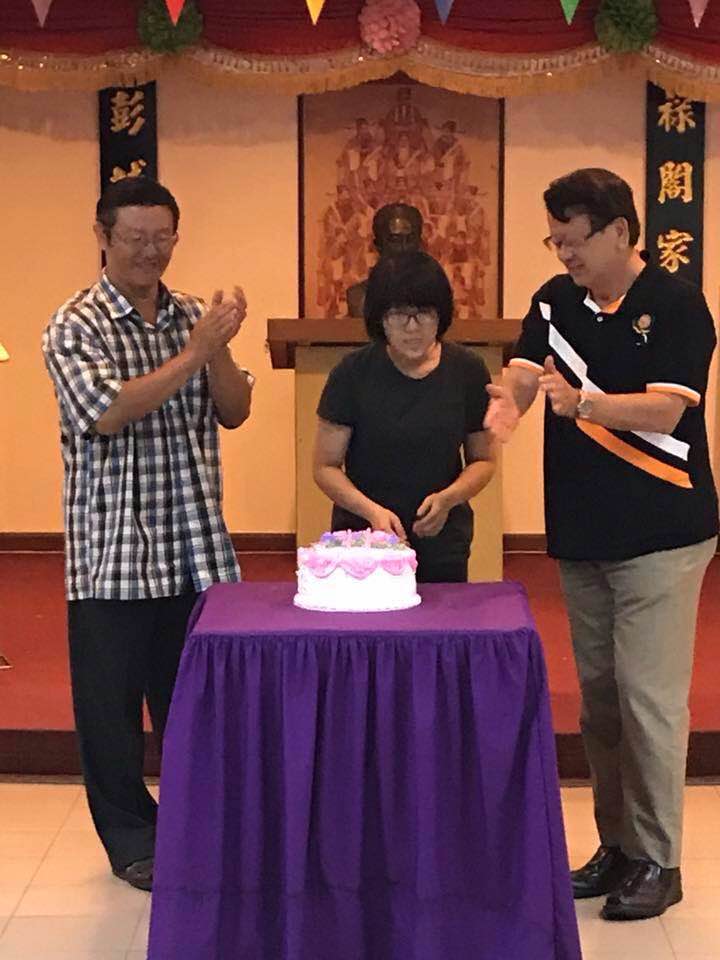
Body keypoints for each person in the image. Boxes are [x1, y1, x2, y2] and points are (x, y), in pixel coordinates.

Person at [484, 168, 717, 921]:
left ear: (620, 230)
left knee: (649, 702)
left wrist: (584, 403)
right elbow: (523, 375)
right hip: (584, 532)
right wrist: (495, 414)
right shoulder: (556, 301)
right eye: (554, 241)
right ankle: (616, 845)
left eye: (574, 240)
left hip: (662, 532)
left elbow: (668, 411)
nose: (564, 254)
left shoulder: (676, 305)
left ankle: (659, 860)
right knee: (602, 705)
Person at [42, 177, 254, 891]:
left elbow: (235, 411)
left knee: (195, 707)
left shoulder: (193, 315)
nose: (149, 251)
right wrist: (195, 351)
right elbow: (107, 411)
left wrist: (217, 349)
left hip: (194, 548)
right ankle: (133, 841)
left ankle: (199, 829)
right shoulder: (74, 324)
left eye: (162, 237)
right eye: (135, 238)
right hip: (112, 556)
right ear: (103, 237)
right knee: (110, 718)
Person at [315, 250, 495, 583]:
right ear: (380, 318)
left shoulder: (468, 370)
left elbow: (483, 460)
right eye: (398, 314)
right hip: (365, 542)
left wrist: (449, 498)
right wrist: (372, 513)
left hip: (442, 538)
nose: (412, 327)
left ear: (441, 315)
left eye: (424, 313)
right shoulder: (351, 373)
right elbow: (325, 467)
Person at [346, 203, 423, 317]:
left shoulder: (436, 295)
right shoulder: (360, 296)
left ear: (420, 243)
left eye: (410, 239)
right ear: (378, 245)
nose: (404, 247)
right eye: (395, 240)